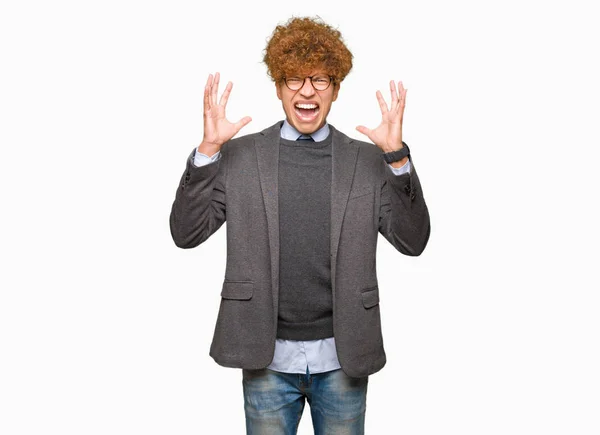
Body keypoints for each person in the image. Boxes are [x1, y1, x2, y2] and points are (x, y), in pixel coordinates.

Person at [170, 15, 430, 435]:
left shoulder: (368, 161)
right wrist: (207, 152)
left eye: (320, 80)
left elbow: (414, 241)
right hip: (266, 359)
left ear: (336, 89)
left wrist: (397, 160)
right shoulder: (238, 157)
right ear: (278, 86)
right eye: (294, 79)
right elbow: (185, 233)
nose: (307, 90)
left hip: (343, 357)